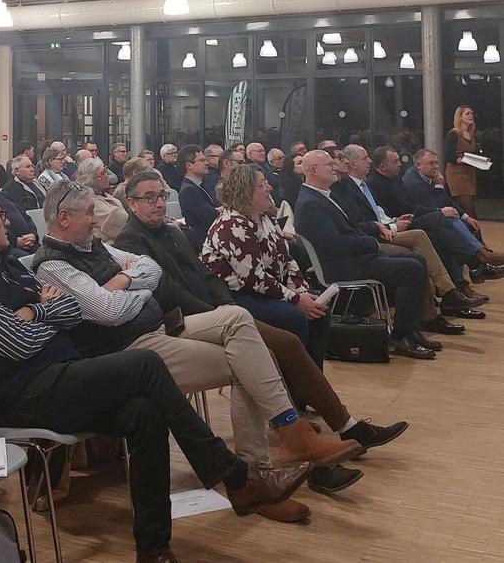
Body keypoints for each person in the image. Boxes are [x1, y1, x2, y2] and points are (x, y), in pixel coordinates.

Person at [0, 188, 313, 562]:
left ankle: (153, 548)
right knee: (143, 363)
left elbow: (69, 312)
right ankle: (233, 476)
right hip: (20, 396)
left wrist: (35, 313)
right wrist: (41, 311)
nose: (6, 219)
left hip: (59, 375)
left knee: (145, 414)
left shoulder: (9, 265)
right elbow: (19, 344)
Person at [32, 183, 370, 522]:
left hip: (157, 326)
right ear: (63, 217)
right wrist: (138, 292)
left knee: (238, 318)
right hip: (128, 349)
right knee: (249, 362)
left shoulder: (95, 246)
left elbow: (151, 270)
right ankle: (261, 472)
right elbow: (107, 311)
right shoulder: (53, 265)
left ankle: (287, 438)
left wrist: (122, 284)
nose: (96, 219)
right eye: (89, 212)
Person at [114, 170, 407, 495]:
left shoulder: (173, 232)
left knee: (274, 348)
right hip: (183, 323)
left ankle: (302, 457)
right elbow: (167, 292)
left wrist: (228, 305)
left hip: (219, 312)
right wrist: (220, 312)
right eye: (149, 198)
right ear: (131, 203)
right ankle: (331, 436)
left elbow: (207, 275)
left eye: (160, 196)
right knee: (285, 339)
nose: (158, 204)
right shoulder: (131, 241)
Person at [294, 150, 435, 360]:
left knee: (417, 261)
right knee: (411, 268)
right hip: (343, 266)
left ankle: (409, 329)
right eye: (328, 165)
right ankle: (400, 336)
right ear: (314, 170)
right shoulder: (311, 204)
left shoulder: (322, 196)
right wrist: (372, 244)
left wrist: (372, 230)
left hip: (353, 258)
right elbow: (335, 244)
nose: (334, 167)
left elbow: (348, 230)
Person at [332, 145, 481, 333]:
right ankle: (449, 293)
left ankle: (447, 294)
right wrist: (392, 226)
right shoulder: (345, 189)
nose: (370, 161)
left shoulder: (364, 184)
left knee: (428, 234)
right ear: (353, 164)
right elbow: (357, 223)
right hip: (372, 238)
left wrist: (393, 221)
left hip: (387, 227)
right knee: (424, 245)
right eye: (365, 158)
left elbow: (378, 212)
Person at [203, 164, 331, 369]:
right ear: (245, 192)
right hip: (238, 297)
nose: (269, 188)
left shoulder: (265, 218)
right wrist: (297, 299)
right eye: (263, 184)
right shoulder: (232, 224)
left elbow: (287, 259)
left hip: (266, 290)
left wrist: (301, 290)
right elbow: (253, 279)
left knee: (319, 312)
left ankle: (313, 382)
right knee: (294, 317)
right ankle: (293, 385)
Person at [368, 145, 503, 288]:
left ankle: (470, 271)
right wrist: (439, 204)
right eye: (395, 161)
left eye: (436, 163)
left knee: (450, 225)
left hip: (405, 218)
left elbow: (443, 202)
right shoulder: (405, 182)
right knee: (444, 221)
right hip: (399, 222)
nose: (400, 164)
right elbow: (409, 207)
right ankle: (476, 263)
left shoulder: (394, 179)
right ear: (383, 166)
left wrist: (464, 216)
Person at [178, 146, 221, 254]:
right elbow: (211, 216)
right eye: (202, 160)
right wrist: (229, 207)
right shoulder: (189, 191)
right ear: (189, 165)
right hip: (205, 244)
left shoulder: (201, 185)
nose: (207, 163)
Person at [75, 157, 128, 243]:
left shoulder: (102, 194)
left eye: (106, 172)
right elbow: (119, 219)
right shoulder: (88, 201)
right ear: (90, 179)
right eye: (102, 174)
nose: (107, 176)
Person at [444, 105, 482, 218]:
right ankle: (474, 234)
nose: (471, 116)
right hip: (457, 174)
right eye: (467, 113)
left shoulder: (471, 135)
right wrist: (467, 160)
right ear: (459, 117)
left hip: (469, 173)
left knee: (468, 206)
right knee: (468, 207)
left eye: (472, 113)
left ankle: (470, 233)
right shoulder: (453, 134)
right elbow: (449, 156)